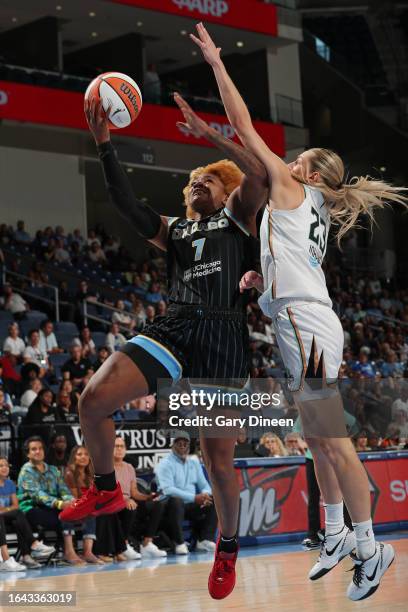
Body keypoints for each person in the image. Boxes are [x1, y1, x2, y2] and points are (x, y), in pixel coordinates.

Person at [190, 22, 406, 600]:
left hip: (306, 324)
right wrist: (263, 283)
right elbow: (291, 263)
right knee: (316, 437)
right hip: (300, 317)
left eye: (297, 158)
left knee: (333, 440)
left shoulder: (290, 186)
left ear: (308, 172)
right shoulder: (304, 204)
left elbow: (243, 126)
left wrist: (217, 64)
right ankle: (335, 532)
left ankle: (370, 545)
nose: (287, 160)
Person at [60, 90, 268, 603]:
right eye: (192, 180)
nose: (196, 181)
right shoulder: (176, 231)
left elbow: (261, 176)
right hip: (173, 328)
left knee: (218, 462)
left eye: (209, 179)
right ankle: (106, 487)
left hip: (222, 337)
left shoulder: (239, 217)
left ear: (227, 192)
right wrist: (104, 142)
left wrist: (210, 133)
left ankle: (227, 546)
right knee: (92, 400)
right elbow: (127, 206)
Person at [17, 437, 85, 564]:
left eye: (40, 448)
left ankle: (75, 551)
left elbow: (64, 490)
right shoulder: (25, 472)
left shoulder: (53, 470)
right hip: (31, 509)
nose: (38, 451)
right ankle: (69, 552)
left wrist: (70, 501)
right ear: (28, 453)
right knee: (63, 516)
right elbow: (37, 495)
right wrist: (59, 504)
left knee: (72, 512)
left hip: (52, 508)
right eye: (34, 449)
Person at [155, 431, 217, 554]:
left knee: (214, 499)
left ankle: (204, 540)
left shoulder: (194, 462)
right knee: (176, 501)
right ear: (172, 445)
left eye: (185, 444)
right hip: (169, 508)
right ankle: (179, 543)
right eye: (179, 443)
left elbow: (204, 485)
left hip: (190, 505)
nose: (183, 446)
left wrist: (205, 494)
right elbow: (168, 490)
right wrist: (194, 497)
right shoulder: (164, 464)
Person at [113, 436, 165, 559]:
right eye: (116, 446)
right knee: (131, 507)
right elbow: (107, 491)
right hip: (113, 502)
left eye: (122, 446)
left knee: (157, 504)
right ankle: (124, 546)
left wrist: (148, 497)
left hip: (128, 500)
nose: (119, 449)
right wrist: (125, 499)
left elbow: (135, 493)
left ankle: (147, 544)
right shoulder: (106, 467)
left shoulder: (129, 467)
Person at [0, 456, 55, 568]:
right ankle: (33, 545)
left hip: (7, 518)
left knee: (18, 518)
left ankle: (26, 556)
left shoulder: (9, 483)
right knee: (17, 514)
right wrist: (9, 509)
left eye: (6, 465)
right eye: (1, 466)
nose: (5, 468)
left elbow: (16, 505)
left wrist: (7, 509)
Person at [64, 446, 104, 564]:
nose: (83, 457)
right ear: (73, 458)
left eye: (86, 454)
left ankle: (92, 552)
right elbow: (75, 497)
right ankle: (79, 552)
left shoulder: (90, 473)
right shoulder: (69, 473)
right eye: (79, 454)